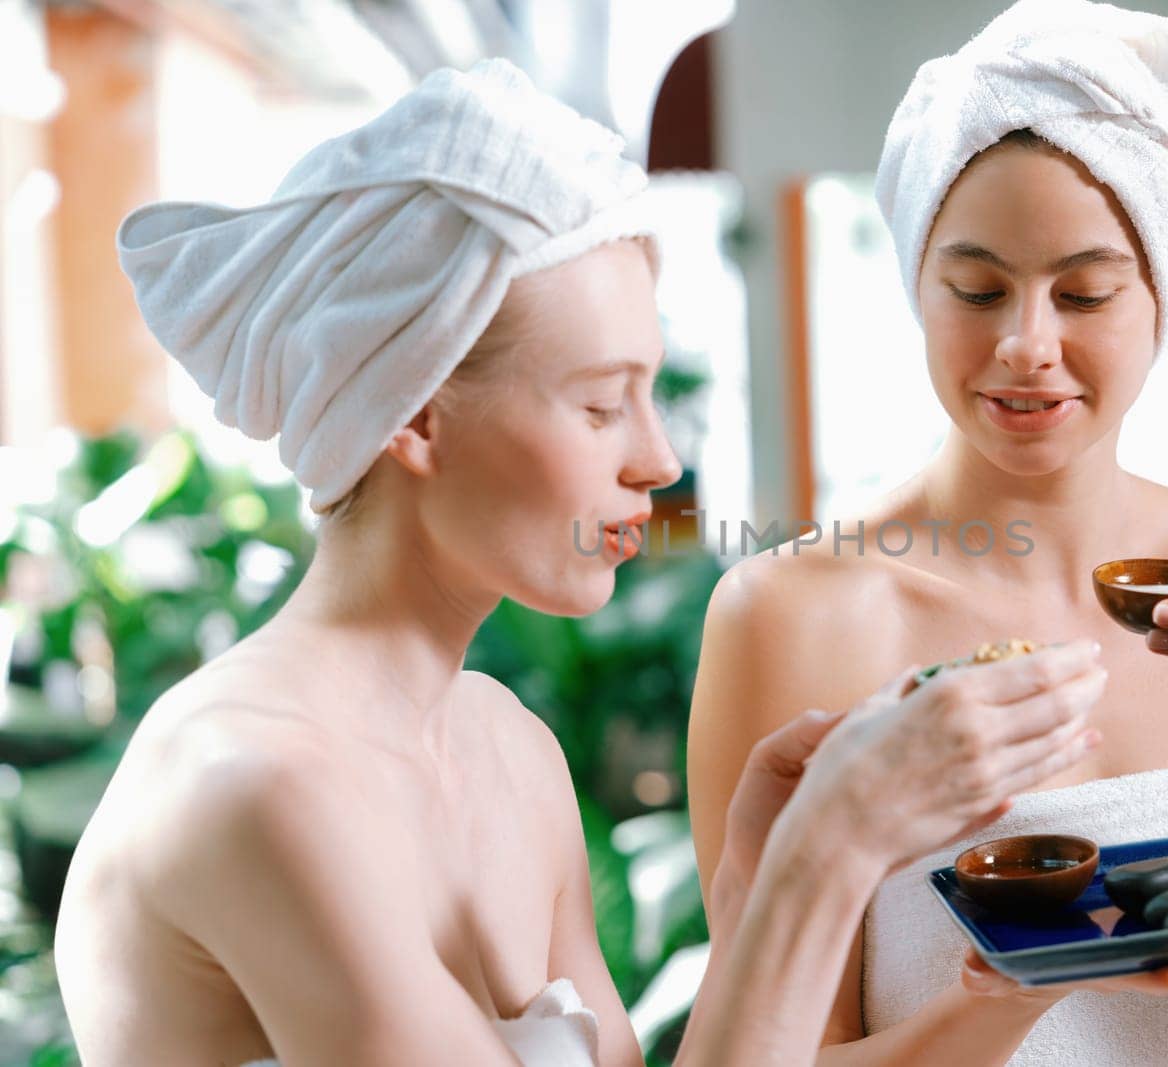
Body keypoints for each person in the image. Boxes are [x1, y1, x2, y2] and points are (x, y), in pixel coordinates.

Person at [52, 60, 1110, 1067]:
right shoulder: (256, 786)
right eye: (603, 403)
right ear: (414, 411)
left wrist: (775, 893)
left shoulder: (509, 750)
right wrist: (824, 856)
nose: (658, 459)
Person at [686, 2, 1168, 1064]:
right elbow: (768, 1051)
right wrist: (1018, 987)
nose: (1024, 343)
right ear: (916, 283)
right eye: (976, 288)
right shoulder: (792, 612)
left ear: (1162, 298)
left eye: (1083, 293)